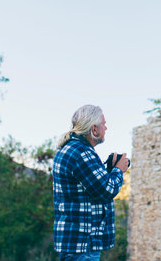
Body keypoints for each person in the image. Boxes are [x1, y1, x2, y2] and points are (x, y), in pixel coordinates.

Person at [52, 105, 129, 261]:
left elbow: (91, 186)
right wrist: (119, 170)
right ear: (94, 129)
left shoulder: (71, 149)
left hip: (76, 244)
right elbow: (106, 191)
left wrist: (108, 170)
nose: (106, 127)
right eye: (103, 123)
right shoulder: (81, 152)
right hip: (82, 246)